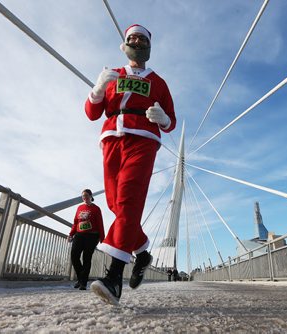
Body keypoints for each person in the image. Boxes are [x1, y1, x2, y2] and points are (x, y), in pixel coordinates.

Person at [85, 23, 176, 305]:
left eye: (142, 38)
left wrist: (161, 118)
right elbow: (91, 113)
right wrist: (98, 89)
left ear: (149, 46)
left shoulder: (158, 82)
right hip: (112, 138)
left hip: (143, 140)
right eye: (132, 38)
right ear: (125, 44)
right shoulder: (111, 75)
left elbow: (171, 121)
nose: (136, 41)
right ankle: (143, 251)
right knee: (115, 204)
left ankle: (114, 278)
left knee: (127, 202)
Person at [67, 189, 105, 290]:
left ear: (91, 196)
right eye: (83, 196)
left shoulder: (96, 209)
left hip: (91, 236)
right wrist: (71, 234)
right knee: (74, 256)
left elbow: (100, 223)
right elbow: (75, 222)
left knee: (86, 258)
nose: (84, 197)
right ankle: (81, 279)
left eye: (86, 195)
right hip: (79, 235)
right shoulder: (80, 207)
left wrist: (102, 238)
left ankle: (83, 283)